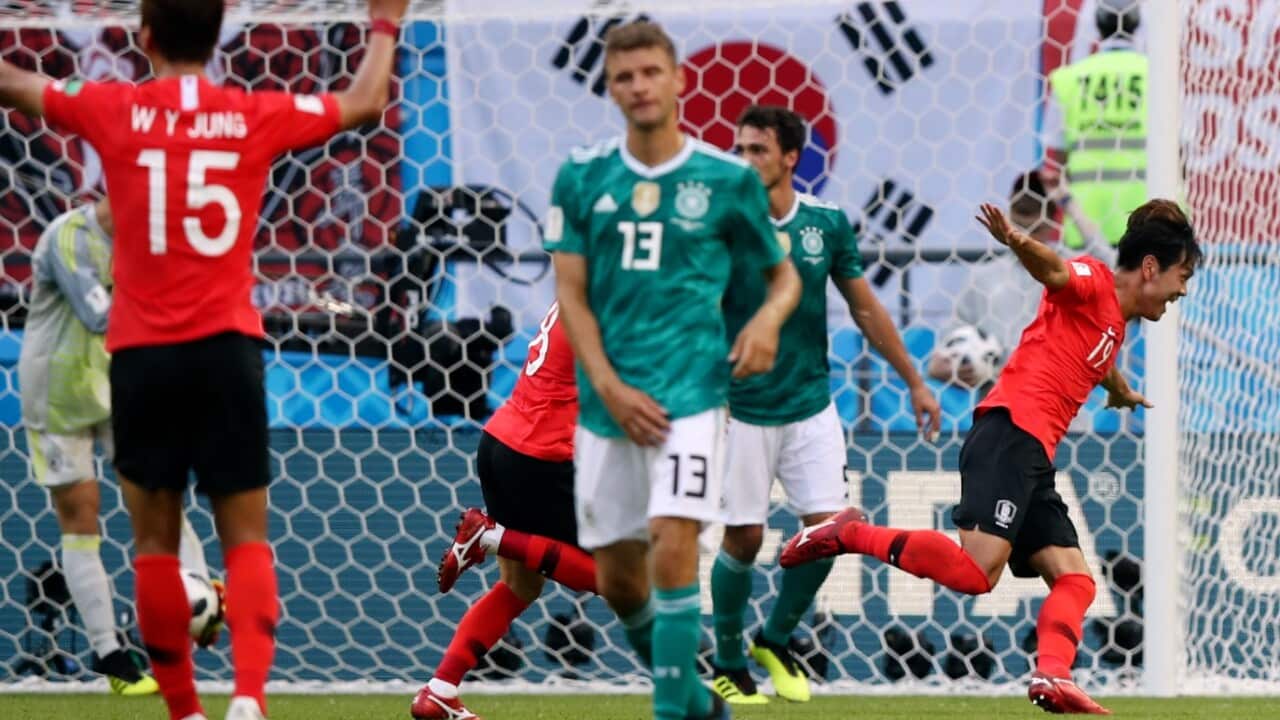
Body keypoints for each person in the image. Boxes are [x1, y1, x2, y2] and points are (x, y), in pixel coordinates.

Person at [0, 1, 407, 718]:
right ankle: (247, 699)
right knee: (245, 541)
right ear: (219, 34)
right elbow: (366, 101)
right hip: (227, 352)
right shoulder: (252, 114)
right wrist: (384, 22)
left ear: (144, 36)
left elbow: (14, 82)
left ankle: (185, 710)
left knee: (154, 546)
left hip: (143, 359)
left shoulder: (113, 107)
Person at [780, 199, 1200, 715]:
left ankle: (1053, 674)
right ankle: (849, 533)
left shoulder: (1114, 321)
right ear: (1151, 267)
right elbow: (1055, 270)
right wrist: (1018, 241)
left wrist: (1118, 389)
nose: (1183, 290)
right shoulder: (1093, 280)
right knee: (976, 574)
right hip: (1010, 434)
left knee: (1075, 579)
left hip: (1034, 454)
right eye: (1182, 276)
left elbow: (1097, 350)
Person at [546, 20, 801, 720]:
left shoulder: (726, 181)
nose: (639, 87)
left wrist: (767, 320)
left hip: (691, 394)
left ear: (679, 79)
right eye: (624, 77)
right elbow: (571, 293)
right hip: (608, 403)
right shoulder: (581, 176)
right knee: (620, 582)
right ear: (610, 88)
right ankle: (697, 702)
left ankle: (669, 713)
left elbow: (783, 277)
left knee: (674, 536)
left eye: (651, 72)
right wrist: (607, 386)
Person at [708, 105, 940, 705]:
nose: (746, 160)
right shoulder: (722, 221)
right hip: (741, 408)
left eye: (758, 150)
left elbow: (865, 308)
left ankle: (774, 639)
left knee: (832, 532)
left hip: (811, 404)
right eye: (741, 148)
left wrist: (914, 381)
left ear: (790, 158)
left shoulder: (826, 224)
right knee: (743, 539)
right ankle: (729, 663)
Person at [18, 199, 215, 696]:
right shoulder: (69, 237)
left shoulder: (155, 237)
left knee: (159, 498)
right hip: (56, 394)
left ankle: (198, 599)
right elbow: (98, 315)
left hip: (116, 387)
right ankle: (110, 656)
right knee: (81, 512)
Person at [412, 302, 597, 720]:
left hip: (500, 442)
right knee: (619, 580)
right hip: (540, 454)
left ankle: (439, 691)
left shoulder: (578, 291)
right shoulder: (610, 296)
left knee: (520, 586)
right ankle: (491, 538)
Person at [930, 170, 1109, 384]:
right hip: (998, 401)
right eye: (1019, 227)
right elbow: (952, 339)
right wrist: (944, 365)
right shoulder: (983, 278)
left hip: (1060, 401)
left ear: (1054, 223)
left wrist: (1068, 202)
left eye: (1036, 229)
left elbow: (1111, 267)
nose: (1026, 238)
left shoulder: (1071, 269)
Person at [1041, 0, 1146, 250]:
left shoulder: (1070, 79)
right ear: (1137, 24)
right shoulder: (1159, 75)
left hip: (1088, 217)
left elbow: (1056, 154)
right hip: (1151, 217)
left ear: (1097, 26)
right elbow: (1181, 150)